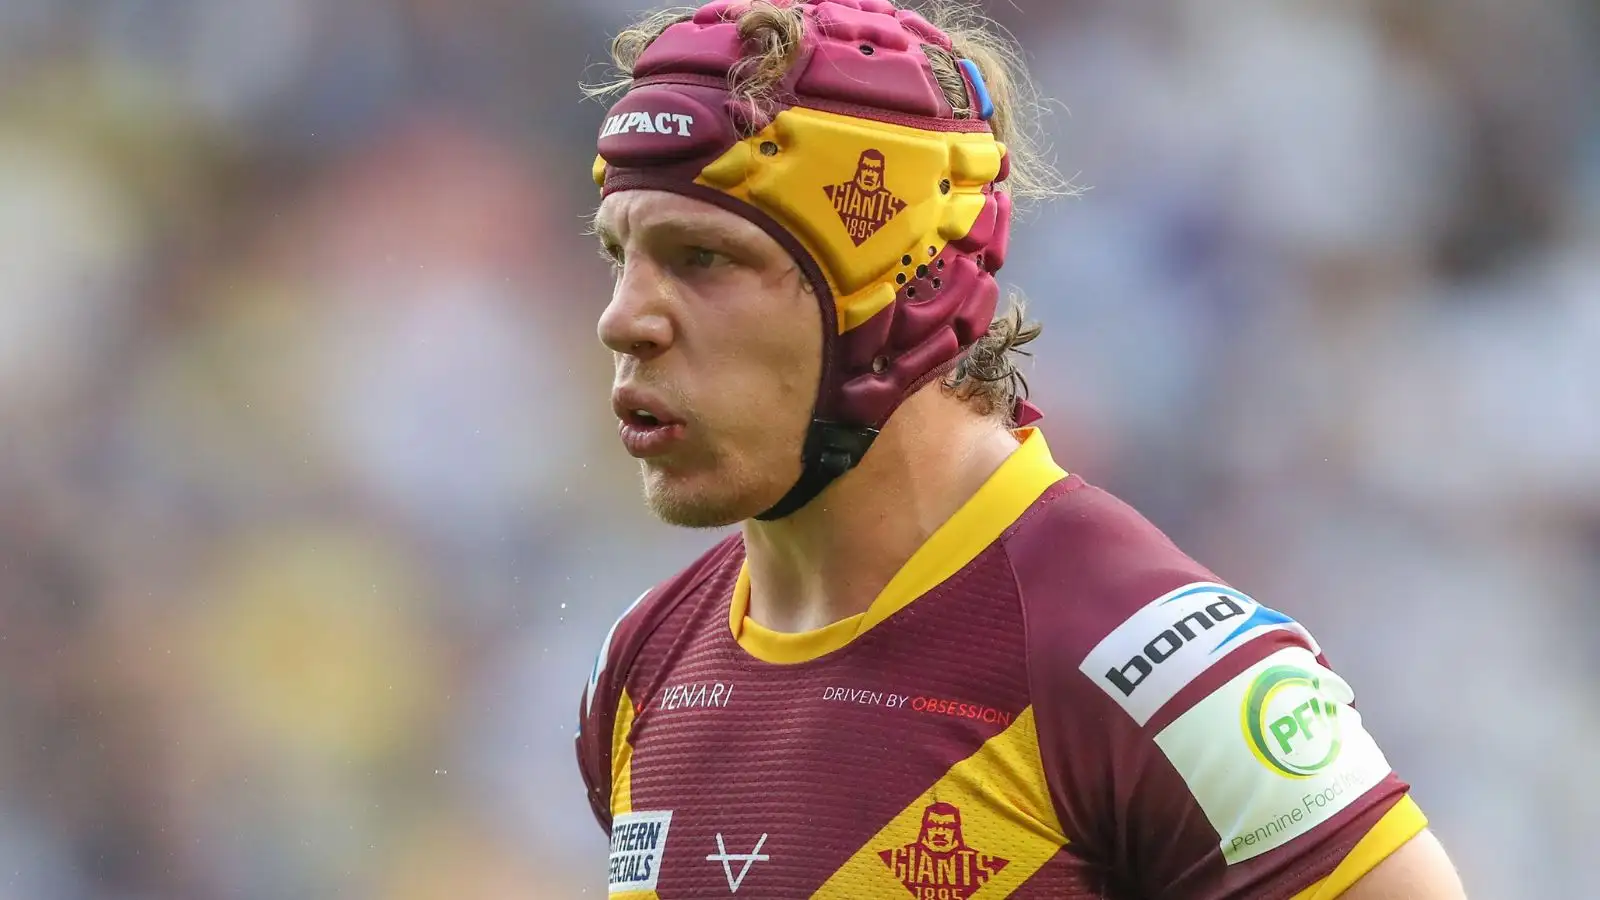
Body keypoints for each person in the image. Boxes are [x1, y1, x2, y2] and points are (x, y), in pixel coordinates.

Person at [574, 1, 1468, 897]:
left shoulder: (1156, 667)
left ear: (895, 287)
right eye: (622, 256)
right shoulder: (643, 661)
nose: (623, 319)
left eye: (703, 257)